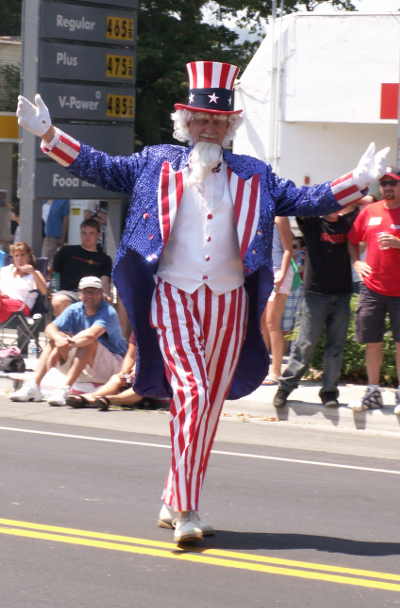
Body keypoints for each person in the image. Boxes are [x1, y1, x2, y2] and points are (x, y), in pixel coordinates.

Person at [16, 61, 389, 545]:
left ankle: (174, 497)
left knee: (207, 406)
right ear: (184, 122)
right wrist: (50, 134)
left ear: (230, 125)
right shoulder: (155, 162)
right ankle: (188, 509)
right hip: (174, 295)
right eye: (200, 118)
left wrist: (357, 181)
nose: (209, 126)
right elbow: (101, 166)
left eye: (218, 120)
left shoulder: (254, 174)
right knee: (190, 394)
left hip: (229, 303)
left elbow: (306, 199)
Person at [273, 203, 360, 410]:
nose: (332, 207)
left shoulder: (346, 223)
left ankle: (329, 392)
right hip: (315, 295)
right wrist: (321, 199)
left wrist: (348, 199)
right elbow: (300, 204)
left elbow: (364, 199)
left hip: (341, 294)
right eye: (328, 202)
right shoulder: (312, 224)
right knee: (305, 344)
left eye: (336, 203)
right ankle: (285, 387)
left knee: (335, 347)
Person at [10, 276, 127, 406]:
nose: (89, 295)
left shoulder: (108, 311)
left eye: (93, 292)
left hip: (114, 367)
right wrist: (59, 338)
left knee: (87, 341)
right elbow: (50, 328)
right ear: (79, 294)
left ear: (100, 293)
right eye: (85, 292)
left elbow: (91, 335)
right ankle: (33, 386)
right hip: (85, 364)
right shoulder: (75, 308)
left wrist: (67, 343)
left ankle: (64, 389)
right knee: (55, 339)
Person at [347, 169, 400, 413]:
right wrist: (357, 262)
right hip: (372, 288)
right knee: (372, 341)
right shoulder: (370, 211)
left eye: (393, 184)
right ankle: (372, 391)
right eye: (384, 184)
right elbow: (352, 240)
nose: (388, 188)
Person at [65, 332, 144, 410]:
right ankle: (91, 398)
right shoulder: (138, 331)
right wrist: (124, 373)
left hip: (150, 377)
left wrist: (139, 370)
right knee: (116, 378)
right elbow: (131, 356)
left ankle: (109, 399)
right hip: (137, 373)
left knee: (141, 386)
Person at [51, 218, 112, 316]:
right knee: (59, 300)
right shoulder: (66, 251)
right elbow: (55, 274)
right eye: (84, 233)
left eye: (91, 233)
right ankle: (68, 330)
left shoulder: (104, 258)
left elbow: (104, 280)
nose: (87, 236)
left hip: (91, 294)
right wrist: (54, 291)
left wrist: (105, 294)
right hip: (68, 293)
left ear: (98, 235)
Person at [261, 217, 294, 383]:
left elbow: (289, 249)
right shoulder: (259, 213)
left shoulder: (280, 218)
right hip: (264, 271)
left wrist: (282, 273)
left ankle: (276, 371)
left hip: (279, 271)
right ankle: (262, 369)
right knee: (262, 323)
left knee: (272, 322)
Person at [0, 241, 47, 323]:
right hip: (3, 304)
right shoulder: (5, 270)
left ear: (29, 256)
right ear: (13, 258)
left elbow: (44, 291)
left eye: (22, 255)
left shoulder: (35, 274)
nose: (19, 258)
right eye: (16, 256)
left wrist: (33, 273)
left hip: (21, 307)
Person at [41, 199, 70, 269]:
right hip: (41, 236)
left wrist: (62, 238)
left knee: (48, 263)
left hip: (53, 237)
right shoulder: (43, 199)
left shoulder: (63, 200)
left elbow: (65, 220)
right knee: (43, 262)